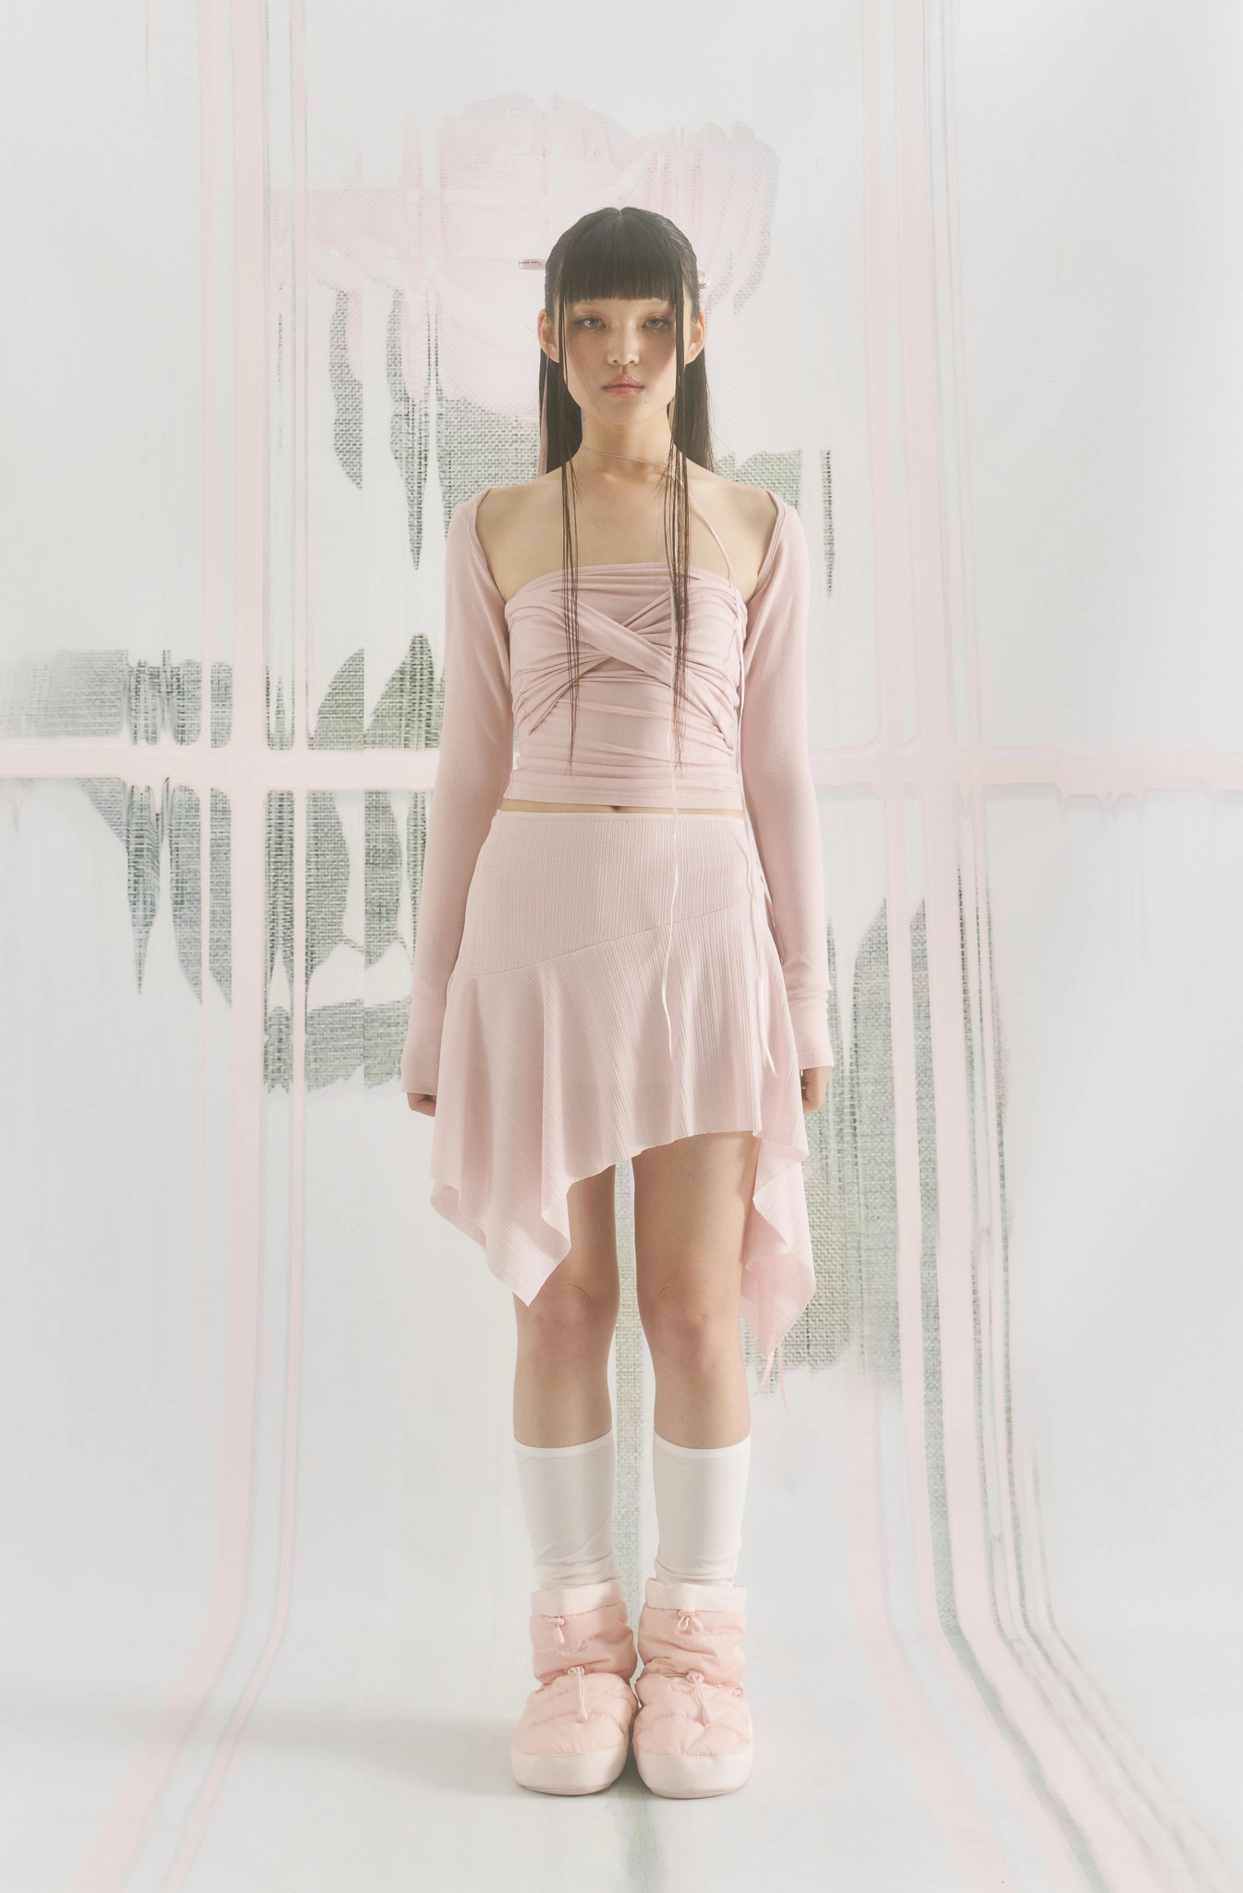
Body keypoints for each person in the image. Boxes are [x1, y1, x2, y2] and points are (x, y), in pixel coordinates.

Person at [401, 205, 834, 1800]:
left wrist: (807, 999)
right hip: (532, 947)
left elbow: (780, 774)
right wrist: (431, 1003)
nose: (623, 353)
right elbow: (467, 773)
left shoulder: (762, 529)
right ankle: (577, 1661)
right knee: (563, 1300)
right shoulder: (494, 527)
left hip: (708, 945)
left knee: (694, 1305)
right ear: (550, 341)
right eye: (590, 324)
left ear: (694, 335)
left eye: (651, 323)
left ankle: (698, 1660)